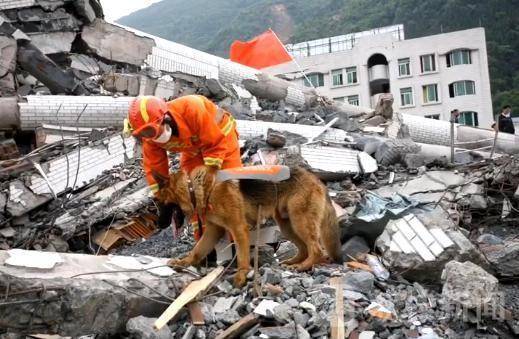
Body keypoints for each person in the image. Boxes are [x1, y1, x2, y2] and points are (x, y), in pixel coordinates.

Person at [125, 95, 243, 234]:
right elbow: (155, 169)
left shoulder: (192, 108)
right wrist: (165, 201)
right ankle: (206, 245)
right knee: (191, 196)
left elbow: (215, 144)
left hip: (220, 137)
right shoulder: (150, 138)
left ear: (164, 118)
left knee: (229, 188)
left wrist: (210, 173)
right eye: (143, 134)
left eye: (150, 131)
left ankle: (238, 242)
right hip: (192, 149)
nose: (150, 137)